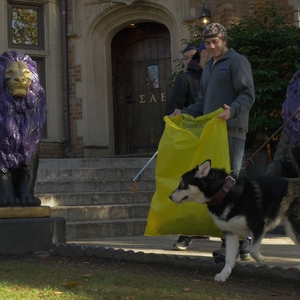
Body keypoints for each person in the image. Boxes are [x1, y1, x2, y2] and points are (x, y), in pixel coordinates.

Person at [169, 23, 255, 262]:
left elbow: (247, 94)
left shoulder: (237, 61)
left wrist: (233, 111)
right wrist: (183, 114)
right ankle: (233, 243)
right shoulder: (208, 68)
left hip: (232, 131)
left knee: (231, 185)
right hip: (211, 135)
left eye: (215, 42)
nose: (211, 46)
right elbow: (202, 104)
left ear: (224, 40)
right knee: (217, 189)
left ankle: (242, 243)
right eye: (207, 43)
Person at [166, 43, 211, 250]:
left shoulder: (215, 78)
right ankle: (185, 235)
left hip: (213, 140)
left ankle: (224, 235)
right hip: (192, 143)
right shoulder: (184, 80)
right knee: (189, 186)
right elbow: (173, 111)